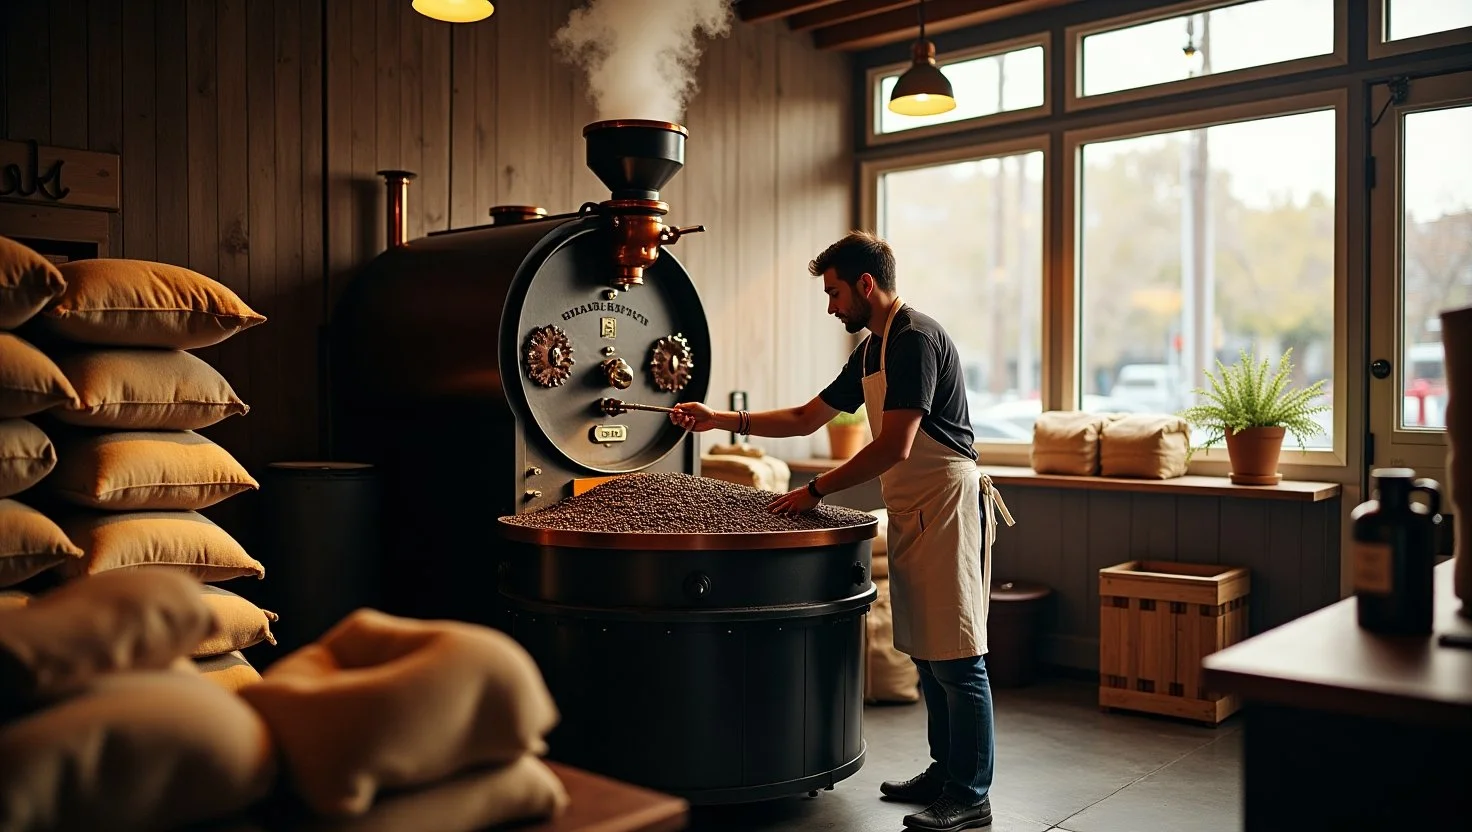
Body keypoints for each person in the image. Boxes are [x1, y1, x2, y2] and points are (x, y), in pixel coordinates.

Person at [670, 231, 1013, 832]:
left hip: (948, 502)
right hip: (912, 507)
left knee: (960, 659)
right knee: (930, 657)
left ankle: (971, 793)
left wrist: (815, 491)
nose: (831, 307)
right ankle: (943, 771)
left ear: (865, 284)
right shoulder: (870, 352)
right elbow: (808, 417)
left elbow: (896, 444)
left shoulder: (914, 340)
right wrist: (716, 417)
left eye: (833, 293)